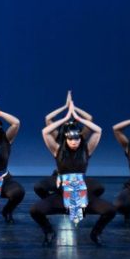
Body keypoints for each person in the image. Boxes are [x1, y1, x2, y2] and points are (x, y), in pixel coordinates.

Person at [30, 99, 115, 246]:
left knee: (110, 210)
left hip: (82, 193)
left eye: (76, 138)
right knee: (35, 210)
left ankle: (95, 233)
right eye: (70, 139)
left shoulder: (87, 150)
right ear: (66, 139)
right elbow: (45, 131)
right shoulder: (57, 150)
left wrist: (77, 117)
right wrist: (65, 118)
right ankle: (49, 231)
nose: (74, 141)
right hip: (63, 193)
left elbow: (98, 130)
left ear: (80, 139)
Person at [34, 91, 106, 200]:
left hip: (77, 173)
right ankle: (54, 199)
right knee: (46, 187)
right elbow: (48, 119)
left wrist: (74, 109)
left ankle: (84, 200)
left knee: (94, 188)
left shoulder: (81, 139)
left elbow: (90, 119)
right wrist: (65, 108)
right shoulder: (58, 136)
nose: (73, 140)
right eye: (67, 125)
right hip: (62, 172)